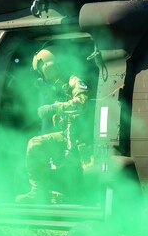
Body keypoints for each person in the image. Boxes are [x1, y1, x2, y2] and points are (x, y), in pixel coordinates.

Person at [16, 47, 92, 204]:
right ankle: (38, 192)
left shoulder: (74, 81)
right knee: (35, 144)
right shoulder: (59, 85)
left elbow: (81, 105)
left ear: (46, 66)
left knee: (90, 176)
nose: (42, 75)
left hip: (84, 139)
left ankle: (89, 201)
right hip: (67, 135)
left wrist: (54, 108)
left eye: (41, 71)